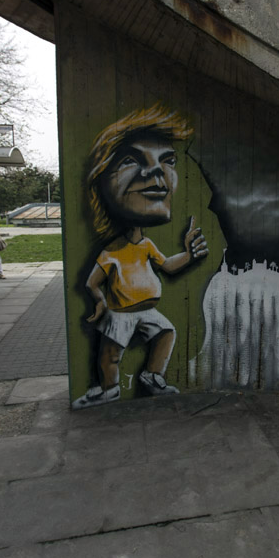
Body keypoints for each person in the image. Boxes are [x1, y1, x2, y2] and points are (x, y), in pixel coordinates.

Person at [73, 105, 208, 408]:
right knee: (111, 354)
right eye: (131, 160)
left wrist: (188, 255)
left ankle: (152, 376)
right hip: (120, 314)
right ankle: (109, 389)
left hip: (148, 310)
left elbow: (167, 266)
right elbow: (92, 282)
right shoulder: (111, 252)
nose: (158, 171)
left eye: (168, 160)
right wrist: (100, 302)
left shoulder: (146, 245)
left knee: (166, 333)